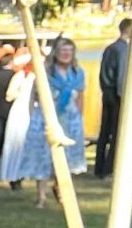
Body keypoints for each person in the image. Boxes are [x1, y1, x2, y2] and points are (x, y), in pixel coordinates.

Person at [13, 36, 87, 209]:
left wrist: (79, 118)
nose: (66, 54)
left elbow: (80, 97)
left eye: (70, 51)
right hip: (46, 118)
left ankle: (62, 191)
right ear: (56, 53)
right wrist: (33, 116)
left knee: (67, 158)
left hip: (70, 119)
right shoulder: (45, 73)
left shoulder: (78, 73)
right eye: (63, 50)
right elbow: (34, 96)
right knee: (43, 157)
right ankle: (41, 196)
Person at [0, 45, 38, 189]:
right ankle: (14, 175)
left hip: (33, 110)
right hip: (21, 110)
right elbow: (9, 95)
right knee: (17, 141)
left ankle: (24, 173)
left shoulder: (39, 77)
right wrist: (22, 92)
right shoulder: (22, 75)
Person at [96, 16, 132, 178]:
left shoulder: (109, 48)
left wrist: (105, 89)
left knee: (104, 131)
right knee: (117, 132)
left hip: (107, 92)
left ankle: (99, 167)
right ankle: (109, 168)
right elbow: (122, 75)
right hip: (117, 95)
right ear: (129, 29)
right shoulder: (123, 49)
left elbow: (102, 73)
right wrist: (123, 97)